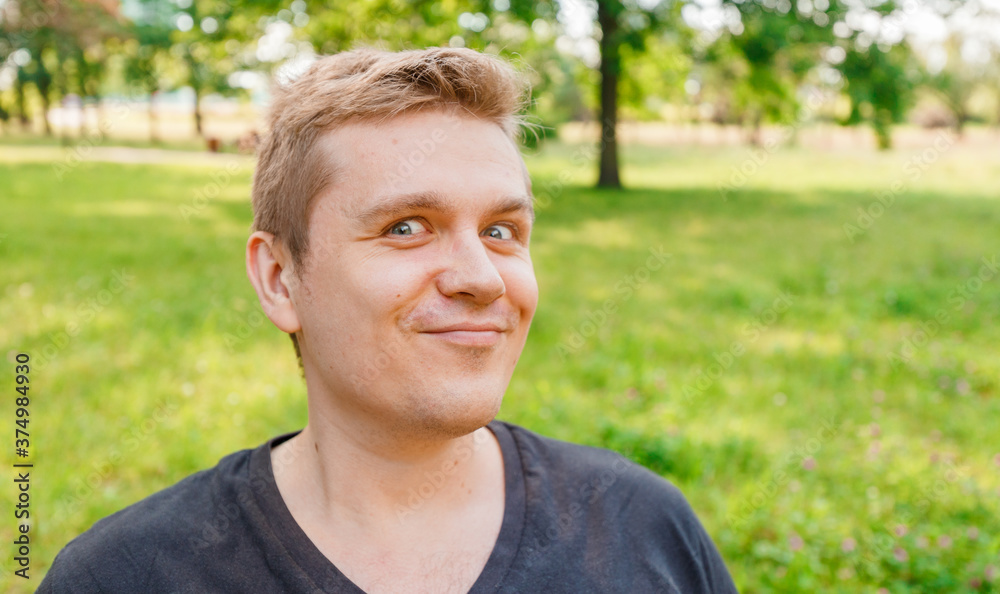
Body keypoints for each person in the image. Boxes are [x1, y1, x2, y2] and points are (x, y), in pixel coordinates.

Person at [39, 46, 738, 593]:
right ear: (281, 279)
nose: (481, 277)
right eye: (407, 227)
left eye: (502, 230)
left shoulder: (644, 531)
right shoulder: (125, 576)